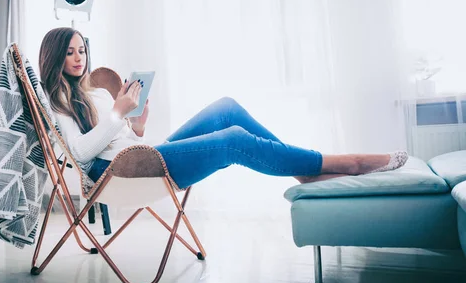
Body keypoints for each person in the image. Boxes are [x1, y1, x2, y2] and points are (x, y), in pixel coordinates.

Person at [38, 27, 408, 189]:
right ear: (55, 58)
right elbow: (83, 153)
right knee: (232, 140)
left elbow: (116, 139)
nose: (78, 58)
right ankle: (343, 162)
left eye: (82, 50)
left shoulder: (92, 94)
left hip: (141, 155)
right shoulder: (56, 102)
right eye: (69, 52)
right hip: (124, 173)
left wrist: (136, 125)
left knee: (225, 108)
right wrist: (119, 114)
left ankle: (302, 172)